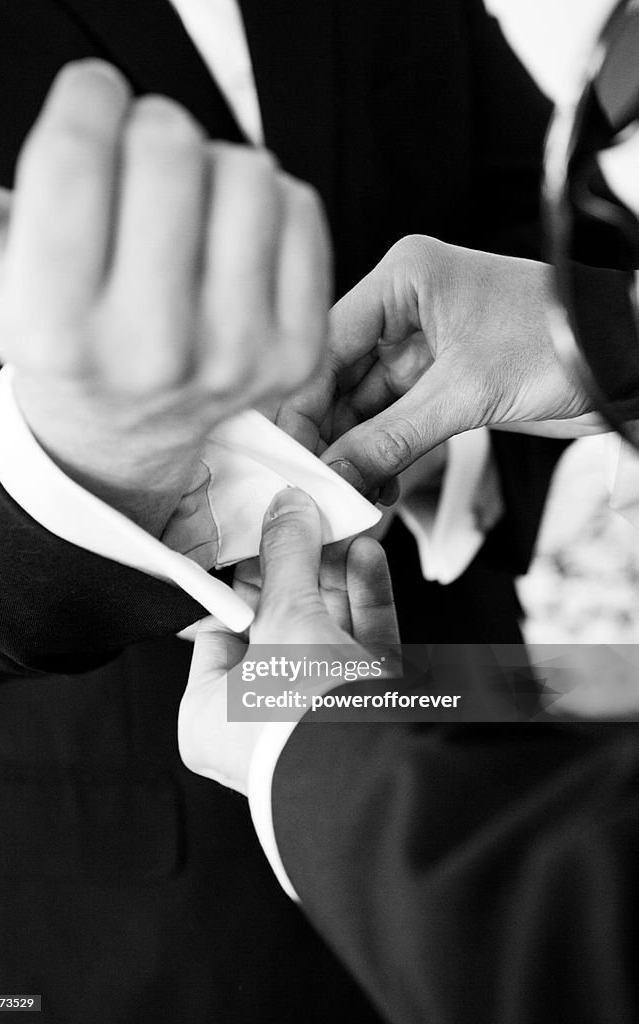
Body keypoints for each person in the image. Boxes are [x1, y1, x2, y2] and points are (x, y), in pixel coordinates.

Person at [0, 2, 564, 1021]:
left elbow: (533, 202)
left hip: (491, 800)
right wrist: (79, 455)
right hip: (124, 889)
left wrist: (452, 445)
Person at [179, 75, 639, 1024]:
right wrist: (618, 331)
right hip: (139, 904)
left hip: (454, 788)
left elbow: (579, 951)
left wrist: (301, 740)